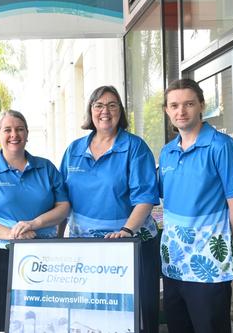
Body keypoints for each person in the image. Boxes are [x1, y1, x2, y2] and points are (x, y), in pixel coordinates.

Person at [58, 85, 160, 333]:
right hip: (86, 251)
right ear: (90, 111)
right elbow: (62, 199)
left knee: (137, 315)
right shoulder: (74, 150)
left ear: (120, 111)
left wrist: (126, 231)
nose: (105, 111)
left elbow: (145, 197)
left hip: (131, 245)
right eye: (99, 105)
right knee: (92, 315)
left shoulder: (135, 147)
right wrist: (57, 238)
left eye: (112, 105)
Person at [0, 109, 70, 332]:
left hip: (45, 255)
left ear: (27, 134)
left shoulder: (46, 168)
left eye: (20, 129)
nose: (14, 135)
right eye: (7, 129)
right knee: (2, 322)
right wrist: (14, 234)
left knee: (44, 321)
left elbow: (64, 207)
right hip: (0, 257)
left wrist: (34, 224)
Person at [158, 78, 233, 333]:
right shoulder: (167, 152)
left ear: (201, 105)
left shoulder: (221, 147)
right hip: (173, 265)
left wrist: (220, 251)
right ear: (167, 110)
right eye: (174, 105)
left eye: (188, 103)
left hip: (208, 267)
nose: (181, 111)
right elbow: (162, 203)